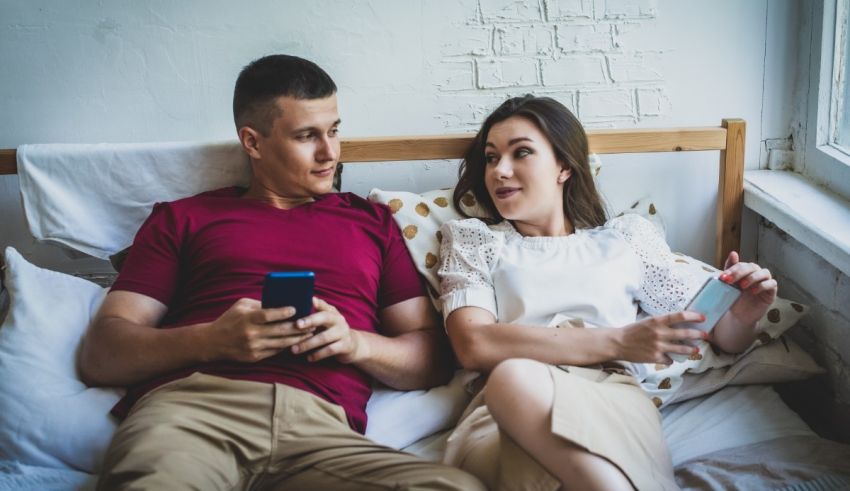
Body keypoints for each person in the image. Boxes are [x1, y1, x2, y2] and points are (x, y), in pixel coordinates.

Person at [78, 54, 485, 491]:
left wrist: (354, 343)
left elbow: (431, 360)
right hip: (192, 415)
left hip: (322, 432)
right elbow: (103, 354)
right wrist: (211, 338)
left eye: (333, 130)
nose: (330, 153)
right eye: (307, 136)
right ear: (253, 142)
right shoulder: (184, 218)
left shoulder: (371, 222)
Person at [437, 95, 777, 491]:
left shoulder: (626, 238)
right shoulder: (474, 240)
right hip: (504, 408)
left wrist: (742, 314)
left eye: (521, 153)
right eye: (492, 158)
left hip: (611, 401)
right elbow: (473, 344)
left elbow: (714, 334)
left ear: (564, 165)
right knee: (514, 376)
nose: (500, 171)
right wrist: (620, 340)